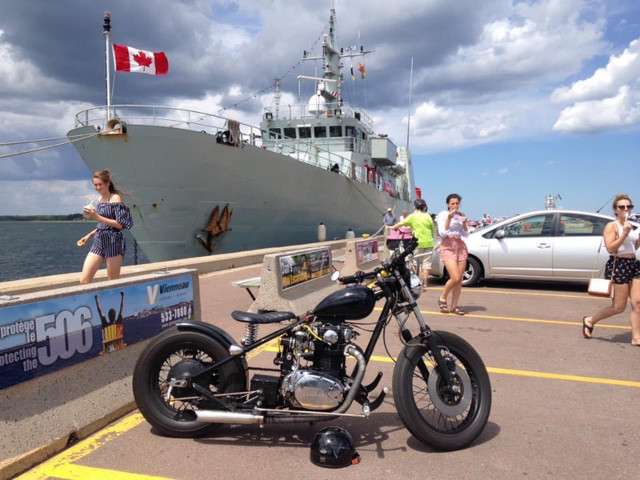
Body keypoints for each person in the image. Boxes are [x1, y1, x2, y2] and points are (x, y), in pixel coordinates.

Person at [582, 194, 640, 345]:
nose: (626, 209)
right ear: (615, 210)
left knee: (638, 303)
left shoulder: (632, 225)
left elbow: (633, 248)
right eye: (622, 207)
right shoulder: (612, 226)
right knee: (619, 307)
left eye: (629, 206)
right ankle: (590, 320)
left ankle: (636, 337)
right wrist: (625, 233)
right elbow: (611, 248)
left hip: (634, 264)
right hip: (618, 264)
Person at [78, 169, 133, 284]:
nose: (98, 187)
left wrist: (96, 216)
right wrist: (89, 235)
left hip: (113, 241)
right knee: (84, 280)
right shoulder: (100, 199)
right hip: (99, 239)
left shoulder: (115, 198)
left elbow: (120, 224)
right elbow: (104, 224)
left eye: (100, 184)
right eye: (95, 185)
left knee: (112, 282)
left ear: (108, 183)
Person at [435, 193, 469, 315]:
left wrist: (464, 222)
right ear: (448, 204)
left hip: (460, 246)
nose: (455, 206)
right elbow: (443, 233)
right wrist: (449, 218)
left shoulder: (460, 216)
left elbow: (466, 234)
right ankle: (442, 298)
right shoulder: (443, 215)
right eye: (452, 203)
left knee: (459, 279)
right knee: (454, 277)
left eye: (457, 203)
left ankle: (454, 306)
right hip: (448, 246)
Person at [392, 198, 437, 289]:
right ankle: (425, 283)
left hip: (417, 243)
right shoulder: (428, 216)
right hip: (429, 242)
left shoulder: (412, 216)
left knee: (414, 262)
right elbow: (432, 229)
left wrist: (393, 227)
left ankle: (415, 281)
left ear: (415, 207)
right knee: (426, 264)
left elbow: (400, 224)